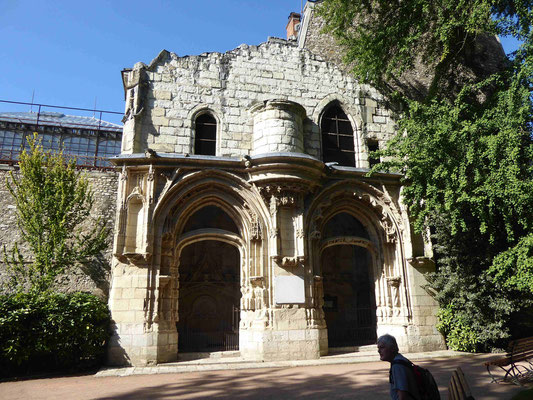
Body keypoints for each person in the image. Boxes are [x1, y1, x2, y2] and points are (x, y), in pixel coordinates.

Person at [377, 334, 421, 400]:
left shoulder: (397, 366)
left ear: (392, 348)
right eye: (378, 348)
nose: (379, 351)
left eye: (382, 347)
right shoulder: (400, 360)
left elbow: (402, 396)